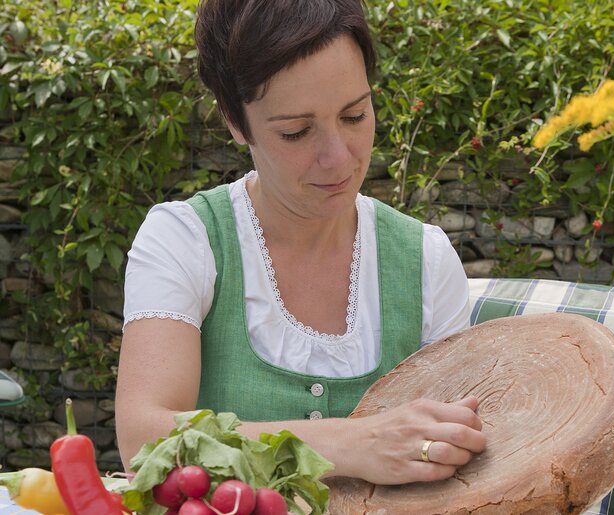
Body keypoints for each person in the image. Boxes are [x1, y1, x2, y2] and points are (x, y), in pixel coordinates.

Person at [115, 0, 486, 485]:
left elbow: (458, 453)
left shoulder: (426, 260)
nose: (337, 160)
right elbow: (145, 443)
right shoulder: (186, 240)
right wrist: (352, 444)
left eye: (354, 116)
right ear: (234, 119)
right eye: (296, 132)